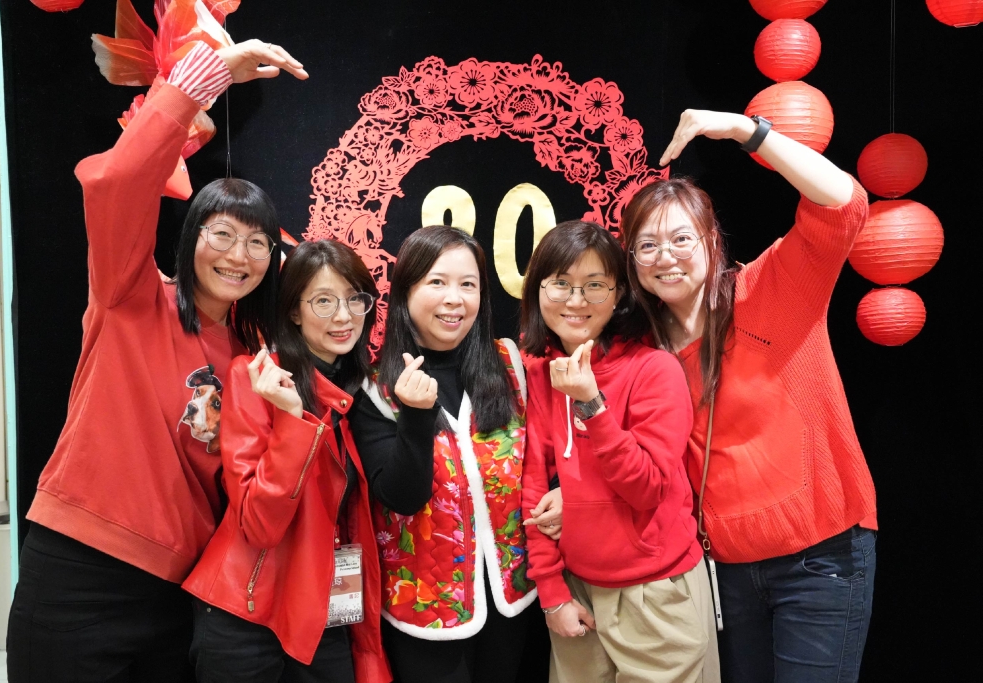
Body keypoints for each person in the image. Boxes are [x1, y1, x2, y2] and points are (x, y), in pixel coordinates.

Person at [6, 39, 308, 683]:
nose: (238, 255)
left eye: (257, 242)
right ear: (190, 236)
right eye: (221, 233)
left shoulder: (256, 359)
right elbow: (116, 182)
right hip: (79, 570)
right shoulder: (131, 294)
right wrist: (202, 80)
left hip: (180, 593)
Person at [620, 109, 877, 683]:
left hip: (821, 558)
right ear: (632, 262)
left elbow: (845, 204)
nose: (665, 256)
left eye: (681, 238)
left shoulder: (770, 290)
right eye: (647, 245)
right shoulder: (642, 350)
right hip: (724, 573)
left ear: (711, 240)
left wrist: (747, 131)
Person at [350, 225, 558, 683]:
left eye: (468, 284)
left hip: (514, 598)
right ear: (406, 292)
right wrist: (415, 416)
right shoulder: (375, 388)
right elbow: (402, 498)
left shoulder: (510, 364)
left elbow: (546, 455)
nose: (454, 299)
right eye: (437, 282)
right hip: (426, 612)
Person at [519, 220, 719, 683]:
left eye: (594, 285)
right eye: (560, 284)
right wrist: (551, 591)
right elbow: (532, 487)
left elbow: (647, 488)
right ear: (538, 290)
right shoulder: (538, 373)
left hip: (655, 591)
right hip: (576, 592)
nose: (576, 301)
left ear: (619, 295)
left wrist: (591, 403)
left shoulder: (654, 370)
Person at [183, 240, 390, 683]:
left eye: (355, 299)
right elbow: (260, 525)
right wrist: (292, 420)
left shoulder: (363, 391)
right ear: (294, 311)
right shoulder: (256, 378)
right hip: (247, 610)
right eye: (323, 301)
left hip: (325, 608)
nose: (343, 316)